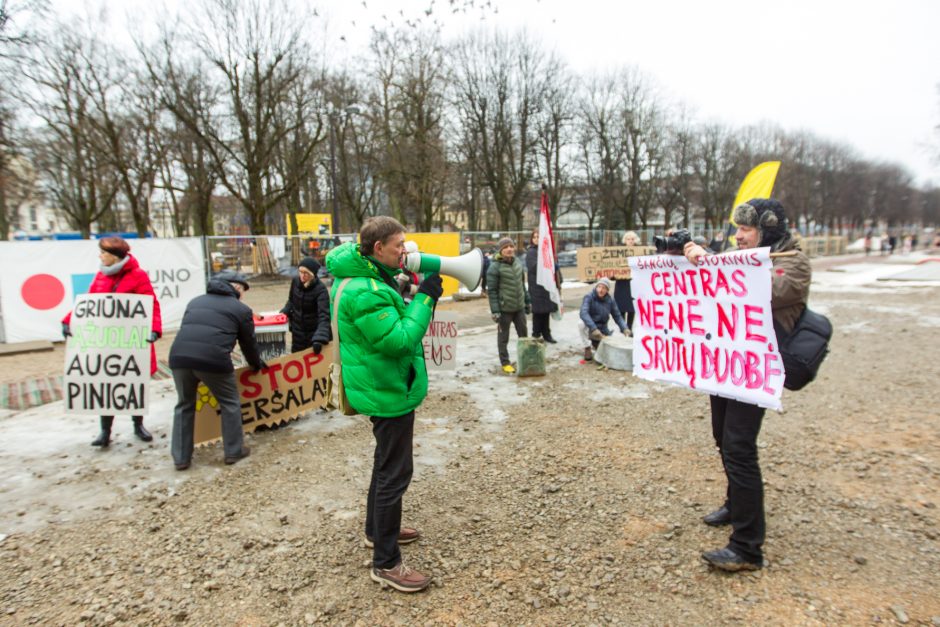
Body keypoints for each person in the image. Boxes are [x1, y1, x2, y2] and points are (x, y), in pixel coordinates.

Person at [684, 198, 811, 572]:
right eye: (737, 229)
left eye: (746, 230)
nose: (737, 236)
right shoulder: (739, 258)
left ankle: (747, 546)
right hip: (726, 363)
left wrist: (708, 261)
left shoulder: (793, 262)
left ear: (767, 231)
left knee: (739, 446)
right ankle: (734, 503)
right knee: (723, 437)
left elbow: (761, 290)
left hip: (755, 368)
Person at [325, 216, 443, 594]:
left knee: (385, 465)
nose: (405, 251)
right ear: (378, 249)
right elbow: (398, 341)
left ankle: (376, 534)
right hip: (387, 390)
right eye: (399, 246)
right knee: (395, 473)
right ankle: (387, 563)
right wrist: (426, 298)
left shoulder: (364, 276)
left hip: (381, 384)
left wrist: (403, 289)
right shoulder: (366, 290)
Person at [61, 236, 162, 447]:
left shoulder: (138, 276)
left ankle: (138, 425)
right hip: (106, 343)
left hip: (132, 343)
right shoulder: (100, 276)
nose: (100, 256)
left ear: (114, 256)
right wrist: (69, 320)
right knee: (106, 384)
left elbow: (150, 304)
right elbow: (89, 303)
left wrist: (154, 329)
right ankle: (105, 431)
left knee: (133, 384)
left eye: (104, 253)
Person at [168, 271, 265, 471]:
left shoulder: (195, 301)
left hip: (179, 358)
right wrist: (256, 364)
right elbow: (248, 343)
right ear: (236, 288)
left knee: (184, 405)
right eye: (243, 291)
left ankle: (181, 457)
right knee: (230, 403)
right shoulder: (241, 309)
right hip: (213, 360)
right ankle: (233, 451)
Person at [486, 237, 530, 373]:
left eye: (511, 246)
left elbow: (522, 285)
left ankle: (526, 359)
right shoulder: (494, 267)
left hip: (519, 307)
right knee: (503, 337)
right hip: (504, 309)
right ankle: (505, 363)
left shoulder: (517, 262)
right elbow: (492, 291)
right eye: (505, 247)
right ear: (501, 250)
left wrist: (527, 301)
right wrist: (495, 310)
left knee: (524, 335)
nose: (509, 249)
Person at [280, 256, 331, 354]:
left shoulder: (321, 290)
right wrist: (284, 312)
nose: (302, 276)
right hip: (297, 334)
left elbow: (324, 316)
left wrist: (319, 338)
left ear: (313, 275)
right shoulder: (295, 282)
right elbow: (291, 301)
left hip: (314, 336)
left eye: (306, 273)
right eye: (300, 272)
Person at [578, 277, 629, 362]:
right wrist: (594, 328)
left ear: (607, 290)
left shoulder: (610, 300)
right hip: (591, 328)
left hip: (602, 331)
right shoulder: (589, 297)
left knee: (607, 352)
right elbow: (583, 313)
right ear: (596, 287)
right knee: (581, 323)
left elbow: (617, 316)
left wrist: (624, 328)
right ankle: (587, 347)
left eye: (604, 288)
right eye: (599, 287)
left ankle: (595, 342)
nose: (601, 290)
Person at [525, 229, 560, 343]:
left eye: (538, 237)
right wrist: (549, 264)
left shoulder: (546, 250)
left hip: (546, 286)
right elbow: (534, 267)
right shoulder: (531, 252)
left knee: (546, 311)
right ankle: (536, 334)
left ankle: (546, 333)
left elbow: (554, 268)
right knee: (538, 312)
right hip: (536, 286)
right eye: (534, 237)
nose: (536, 239)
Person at [614, 231, 639, 333]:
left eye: (632, 239)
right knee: (621, 307)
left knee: (631, 307)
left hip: (633, 284)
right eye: (628, 239)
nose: (630, 241)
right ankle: (623, 328)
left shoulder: (639, 252)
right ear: (625, 240)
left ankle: (629, 327)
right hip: (621, 283)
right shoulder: (618, 252)